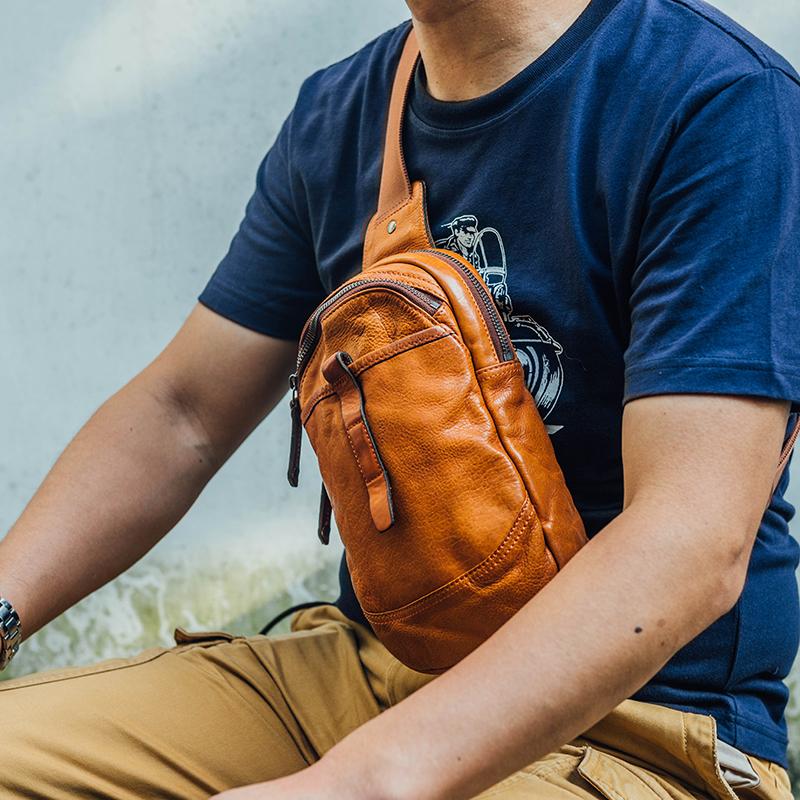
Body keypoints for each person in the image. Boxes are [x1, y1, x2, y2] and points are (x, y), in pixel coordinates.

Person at [1, 0, 799, 798]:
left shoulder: (719, 101)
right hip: (362, 672)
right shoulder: (340, 112)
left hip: (639, 727)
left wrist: (358, 783)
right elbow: (183, 414)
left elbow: (692, 538)